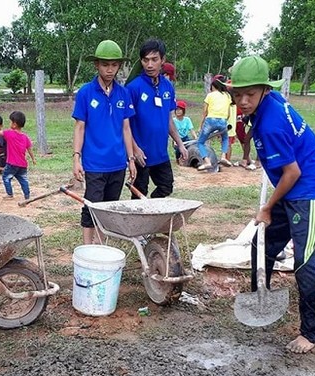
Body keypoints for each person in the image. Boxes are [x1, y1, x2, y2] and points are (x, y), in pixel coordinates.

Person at [230, 55, 315, 354]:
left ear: (264, 90)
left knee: (303, 260)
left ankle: (309, 333)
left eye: (250, 94)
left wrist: (266, 208)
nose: (244, 100)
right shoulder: (266, 104)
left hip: (311, 189)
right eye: (238, 94)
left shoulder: (272, 124)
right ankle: (259, 299)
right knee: (261, 246)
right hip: (290, 188)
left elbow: (292, 172)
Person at [72, 39, 137, 245]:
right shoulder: (85, 92)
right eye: (105, 65)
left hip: (118, 162)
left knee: (108, 209)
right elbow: (80, 127)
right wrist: (76, 158)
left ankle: (100, 248)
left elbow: (126, 128)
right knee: (92, 206)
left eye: (114, 65)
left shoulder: (123, 93)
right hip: (94, 163)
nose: (110, 70)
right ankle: (86, 248)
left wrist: (131, 158)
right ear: (96, 65)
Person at [126, 38, 188, 198]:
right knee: (139, 194)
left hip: (160, 152)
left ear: (163, 60)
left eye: (154, 59)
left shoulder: (167, 87)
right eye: (146, 60)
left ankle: (151, 211)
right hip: (141, 154)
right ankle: (138, 221)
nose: (150, 65)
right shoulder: (133, 88)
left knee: (166, 186)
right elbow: (123, 123)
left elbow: (168, 120)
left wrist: (180, 144)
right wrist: (134, 149)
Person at [0, 111, 36, 200]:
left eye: (10, 121)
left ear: (14, 124)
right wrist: (33, 159)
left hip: (12, 163)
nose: (9, 123)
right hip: (23, 164)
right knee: (23, 180)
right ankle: (27, 195)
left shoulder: (9, 133)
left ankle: (10, 194)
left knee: (6, 177)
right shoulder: (25, 137)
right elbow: (29, 149)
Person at [196, 74, 232, 172]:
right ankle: (224, 156)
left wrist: (200, 126)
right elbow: (228, 114)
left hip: (210, 120)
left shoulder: (210, 95)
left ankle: (207, 162)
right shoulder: (227, 95)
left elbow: (205, 112)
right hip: (223, 120)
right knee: (225, 139)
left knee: (200, 142)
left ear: (213, 85)